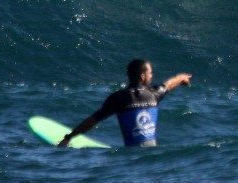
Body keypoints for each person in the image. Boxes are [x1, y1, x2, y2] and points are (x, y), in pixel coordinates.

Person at [58, 59, 192, 148]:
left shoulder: (118, 98)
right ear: (143, 76)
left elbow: (92, 121)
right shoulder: (153, 95)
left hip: (131, 158)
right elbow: (168, 85)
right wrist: (181, 78)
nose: (152, 76)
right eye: (150, 73)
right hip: (152, 156)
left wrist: (68, 137)